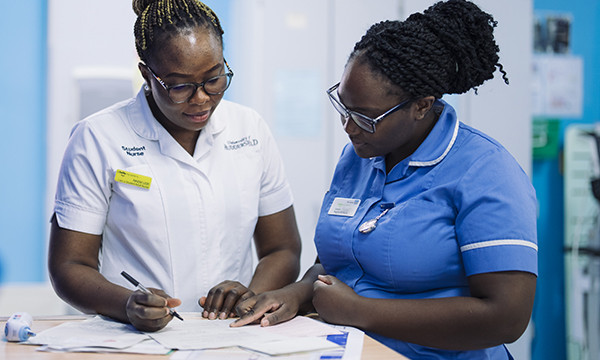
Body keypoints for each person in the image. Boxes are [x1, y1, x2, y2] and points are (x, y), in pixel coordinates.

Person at [231, 1, 537, 359]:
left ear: (421, 105)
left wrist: (361, 312)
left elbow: (506, 318)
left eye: (365, 117)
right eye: (343, 108)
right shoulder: (360, 156)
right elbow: (339, 262)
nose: (348, 128)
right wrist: (296, 293)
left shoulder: (486, 171)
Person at [48, 0, 301, 332]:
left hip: (230, 335)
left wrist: (251, 294)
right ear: (146, 75)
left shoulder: (249, 130)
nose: (201, 99)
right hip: (134, 340)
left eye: (214, 79)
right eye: (179, 86)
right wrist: (126, 305)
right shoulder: (97, 137)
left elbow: (282, 248)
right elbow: (69, 265)